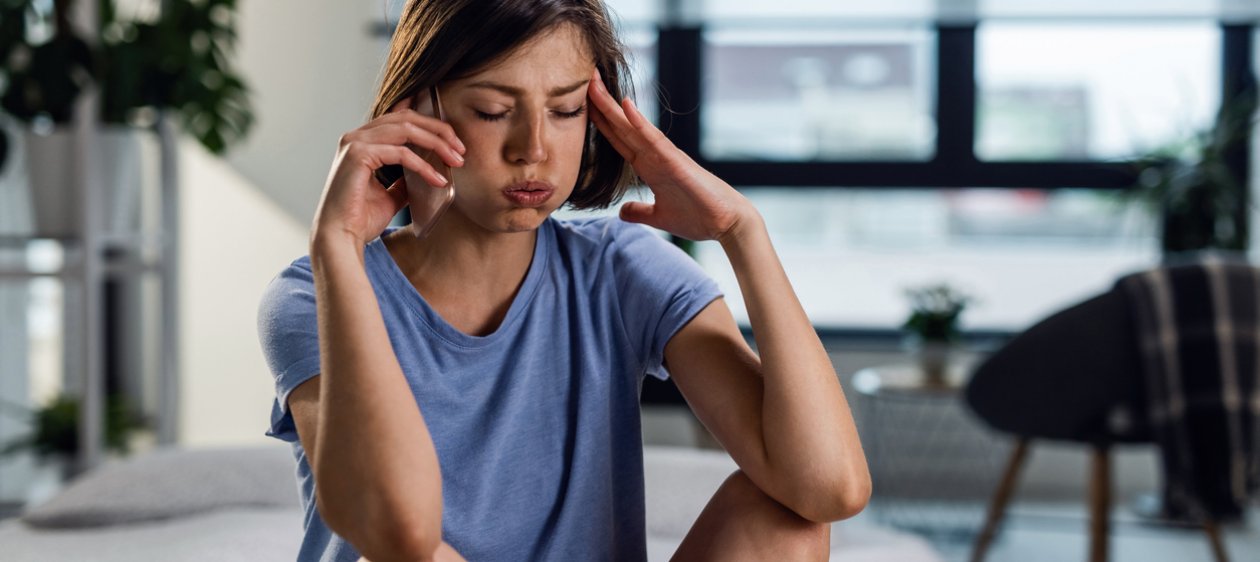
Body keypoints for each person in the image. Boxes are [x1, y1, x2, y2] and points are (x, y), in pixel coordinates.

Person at [257, 1, 870, 560]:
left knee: (786, 519)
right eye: (494, 111)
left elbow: (829, 488)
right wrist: (336, 244)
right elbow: (399, 533)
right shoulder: (312, 294)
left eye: (566, 109)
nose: (535, 148)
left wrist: (743, 232)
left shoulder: (620, 266)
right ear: (416, 109)